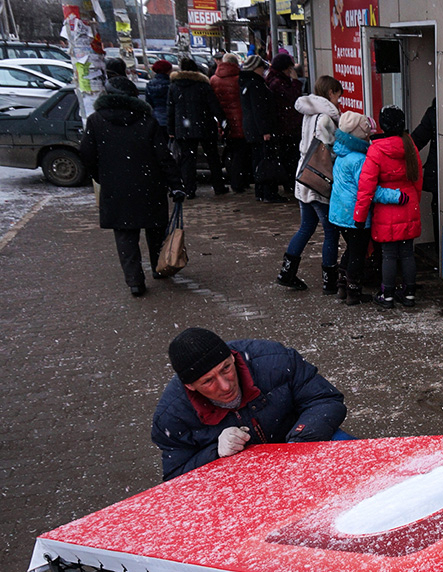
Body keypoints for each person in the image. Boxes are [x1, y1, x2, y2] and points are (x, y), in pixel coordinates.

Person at [152, 327, 348, 481]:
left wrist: (299, 442)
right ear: (190, 386)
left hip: (301, 445)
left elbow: (324, 399)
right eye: (208, 381)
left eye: (226, 368)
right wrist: (215, 454)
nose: (225, 385)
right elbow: (176, 480)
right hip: (239, 480)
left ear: (232, 356)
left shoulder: (275, 360)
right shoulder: (173, 414)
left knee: (350, 454)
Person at [78, 76, 184, 297]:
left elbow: (87, 155)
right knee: (155, 230)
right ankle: (159, 268)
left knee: (126, 235)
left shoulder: (96, 121)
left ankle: (135, 282)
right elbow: (163, 157)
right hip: (149, 185)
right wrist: (175, 184)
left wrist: (101, 176)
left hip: (116, 189)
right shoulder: (147, 121)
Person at [328, 110, 404, 304]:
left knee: (351, 249)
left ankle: (342, 286)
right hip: (354, 215)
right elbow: (371, 190)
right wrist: (396, 196)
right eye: (367, 133)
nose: (370, 136)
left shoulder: (341, 154)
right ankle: (353, 293)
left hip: (339, 213)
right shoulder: (360, 160)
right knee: (357, 253)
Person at [276, 75, 342, 292]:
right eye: (338, 95)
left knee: (306, 227)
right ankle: (329, 282)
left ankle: (287, 272)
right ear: (330, 93)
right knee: (331, 231)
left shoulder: (309, 114)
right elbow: (331, 150)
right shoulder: (324, 118)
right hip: (318, 180)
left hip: (304, 176)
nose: (339, 101)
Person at [352, 105, 423, 308]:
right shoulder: (410, 145)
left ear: (382, 125)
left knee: (389, 255)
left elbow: (366, 186)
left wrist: (359, 215)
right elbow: (417, 179)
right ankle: (409, 293)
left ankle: (388, 294)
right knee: (408, 253)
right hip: (409, 204)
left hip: (387, 210)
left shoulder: (376, 149)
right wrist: (413, 203)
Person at [167, 56, 227, 199]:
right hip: (205, 126)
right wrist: (223, 121)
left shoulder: (174, 87)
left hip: (183, 128)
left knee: (187, 160)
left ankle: (189, 189)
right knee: (212, 157)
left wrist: (171, 130)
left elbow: (170, 110)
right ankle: (218, 186)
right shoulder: (203, 86)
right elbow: (214, 106)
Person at [238, 54, 287, 203]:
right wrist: (265, 130)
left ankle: (261, 191)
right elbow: (259, 110)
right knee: (266, 161)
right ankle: (269, 192)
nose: (263, 71)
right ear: (255, 68)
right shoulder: (256, 85)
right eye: (261, 68)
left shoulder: (246, 83)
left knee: (259, 161)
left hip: (252, 130)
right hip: (261, 131)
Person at [210, 52, 250, 194]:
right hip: (240, 119)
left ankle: (235, 179)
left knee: (231, 152)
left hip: (224, 121)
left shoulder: (214, 79)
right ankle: (239, 182)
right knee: (241, 153)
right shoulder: (239, 79)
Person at [266, 52, 303, 197]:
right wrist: (296, 82)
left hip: (284, 126)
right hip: (288, 127)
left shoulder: (273, 80)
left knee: (287, 157)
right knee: (290, 158)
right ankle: (290, 184)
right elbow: (294, 98)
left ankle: (289, 183)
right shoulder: (279, 83)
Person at [410, 98, 439, 243]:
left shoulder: (434, 112)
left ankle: (438, 247)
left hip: (436, 170)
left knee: (437, 207)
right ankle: (440, 250)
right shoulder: (437, 111)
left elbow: (417, 140)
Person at [146, 58, 173, 133]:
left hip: (156, 118)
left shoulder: (150, 84)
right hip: (170, 118)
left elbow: (149, 102)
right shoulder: (171, 84)